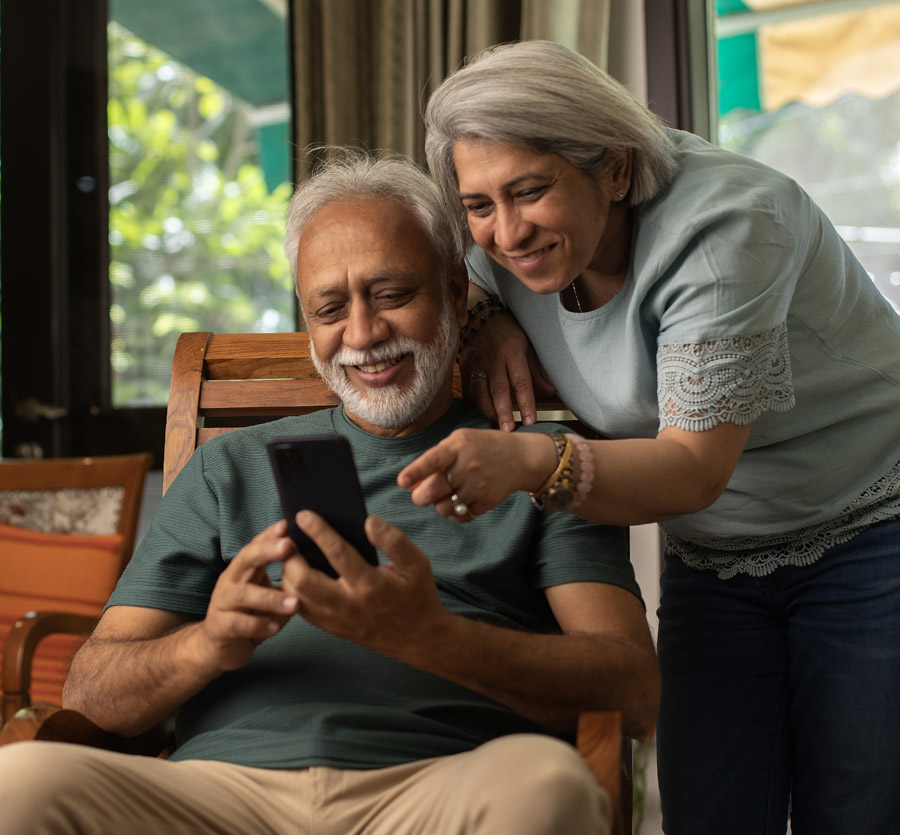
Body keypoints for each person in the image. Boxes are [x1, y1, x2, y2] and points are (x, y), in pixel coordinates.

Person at [0, 151, 658, 835]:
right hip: (223, 792)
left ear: (457, 295)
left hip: (440, 784)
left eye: (393, 294)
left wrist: (433, 637)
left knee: (548, 787)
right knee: (18, 783)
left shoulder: (535, 465)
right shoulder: (226, 468)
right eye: (331, 307)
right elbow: (91, 695)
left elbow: (633, 689)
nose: (364, 334)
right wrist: (209, 642)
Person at [396, 39, 900, 835]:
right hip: (712, 552)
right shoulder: (493, 244)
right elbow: (456, 257)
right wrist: (485, 318)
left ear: (618, 169)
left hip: (870, 523)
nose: (508, 230)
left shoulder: (730, 226)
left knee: (860, 811)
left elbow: (692, 470)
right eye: (481, 203)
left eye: (530, 191)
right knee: (710, 812)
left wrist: (530, 459)